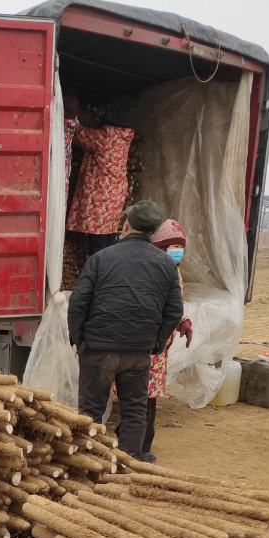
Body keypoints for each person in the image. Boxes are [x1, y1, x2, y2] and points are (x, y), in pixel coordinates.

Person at [68, 200, 184, 458]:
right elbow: (174, 310)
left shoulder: (100, 258)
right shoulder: (166, 266)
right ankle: (129, 464)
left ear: (127, 224)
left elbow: (78, 302)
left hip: (98, 350)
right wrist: (155, 341)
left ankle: (89, 463)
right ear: (152, 232)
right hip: (137, 352)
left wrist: (79, 340)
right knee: (134, 410)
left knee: (90, 411)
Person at [142, 218, 193, 461]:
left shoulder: (174, 271)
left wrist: (182, 320)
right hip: (148, 339)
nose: (178, 253)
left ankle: (137, 441)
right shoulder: (154, 270)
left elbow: (174, 305)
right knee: (143, 395)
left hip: (159, 343)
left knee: (148, 394)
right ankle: (140, 446)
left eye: (180, 248)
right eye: (173, 248)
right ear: (160, 247)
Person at [66, 117, 135, 257]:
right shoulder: (124, 136)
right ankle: (109, 272)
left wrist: (73, 117)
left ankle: (99, 274)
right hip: (115, 195)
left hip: (101, 196)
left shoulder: (106, 137)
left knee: (98, 242)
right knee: (109, 236)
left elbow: (78, 134)